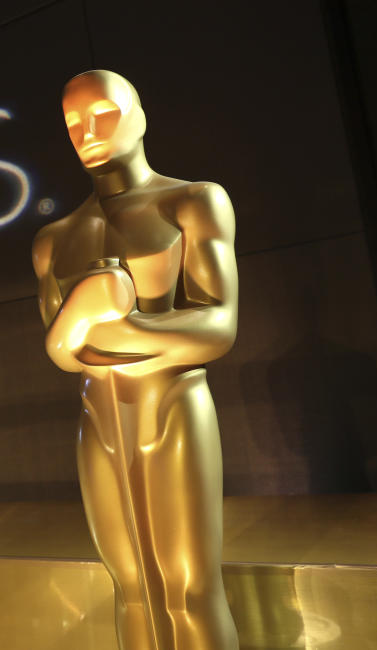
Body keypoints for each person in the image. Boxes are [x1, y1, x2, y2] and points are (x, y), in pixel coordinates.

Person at [33, 70, 240, 650]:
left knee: (188, 590)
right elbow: (59, 352)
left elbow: (218, 326)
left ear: (140, 115)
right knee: (130, 589)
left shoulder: (192, 202)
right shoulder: (56, 238)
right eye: (73, 123)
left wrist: (111, 326)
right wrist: (87, 317)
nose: (87, 132)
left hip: (171, 408)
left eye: (103, 113)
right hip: (97, 420)